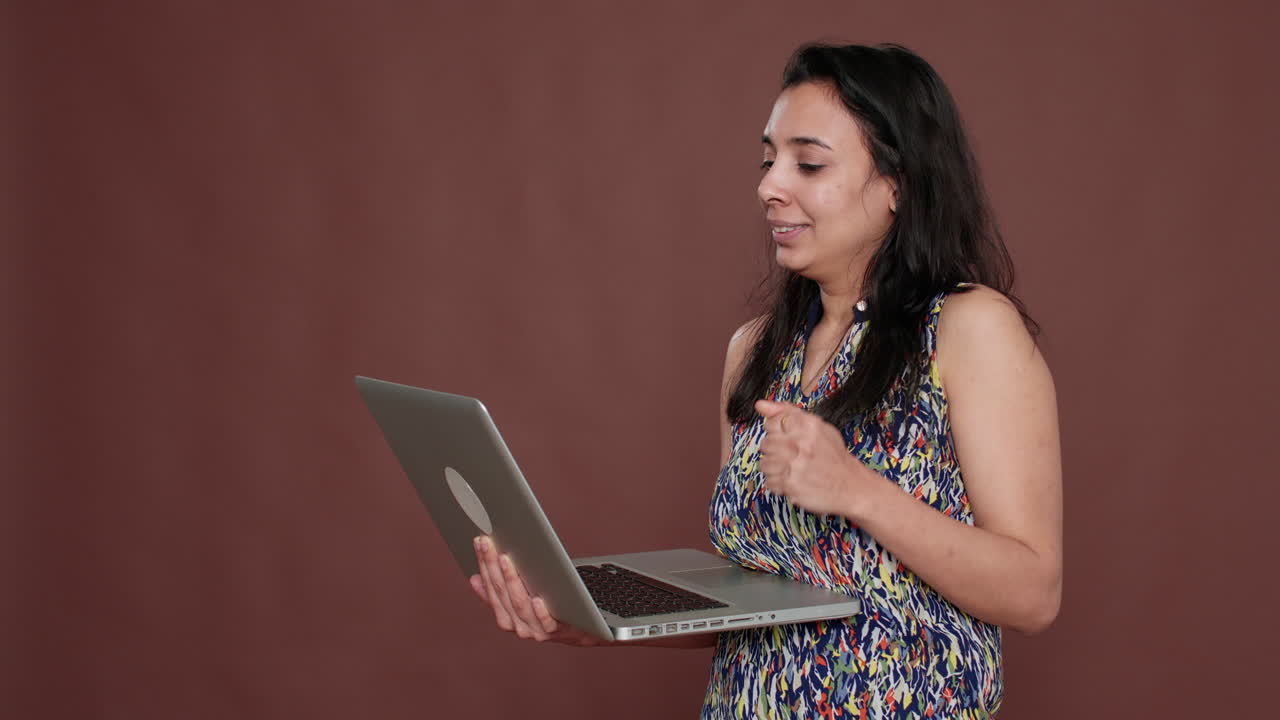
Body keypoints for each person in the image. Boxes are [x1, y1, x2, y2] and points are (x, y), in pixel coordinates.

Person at [469, 42, 1062, 719]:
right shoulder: (754, 352)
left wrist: (856, 490)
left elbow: (1033, 594)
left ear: (900, 183)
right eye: (768, 159)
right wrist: (598, 624)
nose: (770, 185)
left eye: (808, 163)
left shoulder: (968, 327)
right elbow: (759, 604)